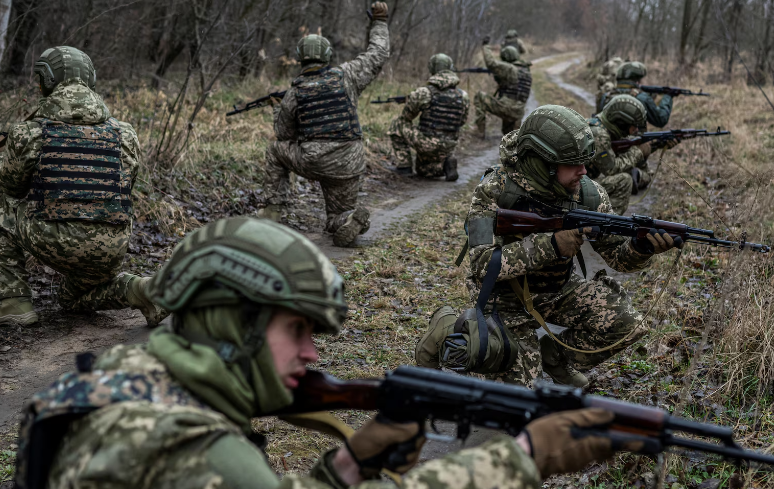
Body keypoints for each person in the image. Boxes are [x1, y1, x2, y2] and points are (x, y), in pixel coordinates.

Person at [16, 216, 629, 489]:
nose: (312, 354)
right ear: (231, 321)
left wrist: (343, 469)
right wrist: (520, 459)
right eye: (296, 330)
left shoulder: (134, 376)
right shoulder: (200, 451)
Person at [416, 105, 682, 389]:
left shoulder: (589, 194)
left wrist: (641, 247)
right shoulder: (497, 190)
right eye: (573, 164)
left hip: (556, 289)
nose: (584, 171)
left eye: (585, 162)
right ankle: (448, 329)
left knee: (627, 323)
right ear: (544, 163)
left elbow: (618, 258)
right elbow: (482, 263)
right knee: (516, 398)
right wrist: (551, 245)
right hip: (503, 299)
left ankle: (554, 357)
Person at [0, 46, 166, 328]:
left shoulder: (29, 132)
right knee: (71, 299)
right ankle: (140, 290)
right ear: (91, 81)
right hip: (110, 247)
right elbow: (125, 186)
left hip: (53, 239)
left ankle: (13, 303)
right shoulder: (125, 133)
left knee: (3, 204)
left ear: (47, 81)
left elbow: (12, 189)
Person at [261, 3, 390, 248]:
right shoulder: (348, 75)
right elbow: (379, 53)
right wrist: (380, 21)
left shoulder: (295, 92)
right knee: (337, 215)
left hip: (313, 162)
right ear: (328, 55)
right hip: (348, 164)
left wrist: (278, 108)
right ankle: (348, 219)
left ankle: (272, 214)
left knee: (275, 150)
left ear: (300, 57)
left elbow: (283, 134)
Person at [388, 53, 469, 181]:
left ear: (433, 69)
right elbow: (462, 121)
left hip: (428, 144)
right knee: (424, 171)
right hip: (449, 146)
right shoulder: (463, 95)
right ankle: (446, 163)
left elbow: (406, 117)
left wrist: (412, 100)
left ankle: (404, 166)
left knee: (397, 124)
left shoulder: (425, 92)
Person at [587, 95, 651, 215]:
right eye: (634, 126)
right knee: (624, 180)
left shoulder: (599, 125)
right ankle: (606, 223)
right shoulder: (600, 135)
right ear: (622, 123)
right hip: (573, 190)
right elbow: (612, 169)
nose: (636, 130)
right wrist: (638, 151)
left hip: (578, 183)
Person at [475, 38, 532, 137]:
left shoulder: (509, 68)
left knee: (480, 97)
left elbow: (491, 63)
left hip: (505, 108)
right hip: (518, 113)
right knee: (509, 134)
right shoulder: (526, 72)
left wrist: (485, 46)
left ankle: (480, 133)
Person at [597, 61, 673, 128]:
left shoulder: (606, 96)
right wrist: (668, 97)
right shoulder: (642, 98)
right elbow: (660, 120)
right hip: (635, 139)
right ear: (637, 81)